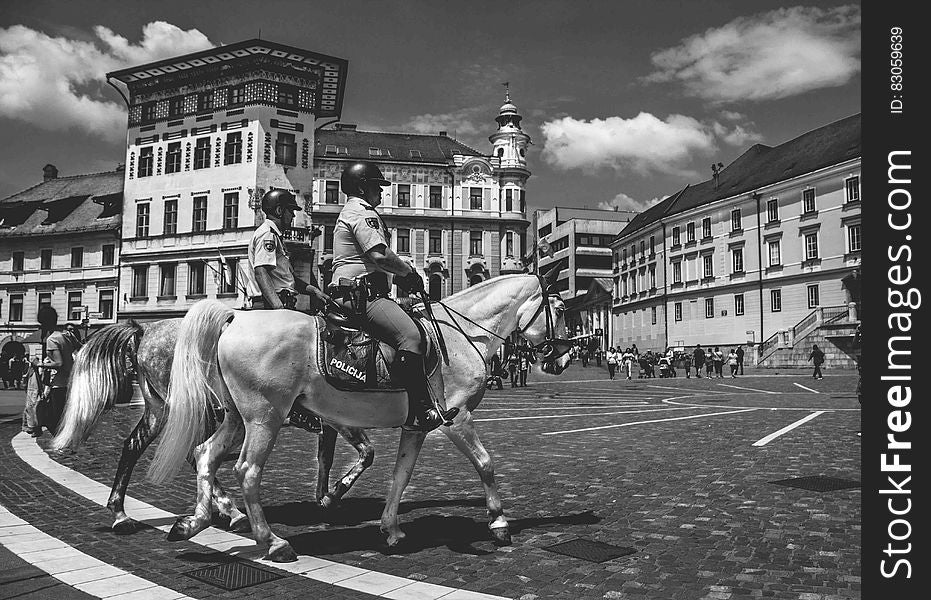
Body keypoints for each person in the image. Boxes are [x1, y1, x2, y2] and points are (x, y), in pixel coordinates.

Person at [328, 161, 458, 432]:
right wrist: (408, 272)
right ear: (363, 187)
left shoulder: (351, 211)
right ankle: (422, 411)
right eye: (377, 187)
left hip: (354, 291)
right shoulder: (362, 213)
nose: (382, 193)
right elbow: (379, 255)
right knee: (411, 337)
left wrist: (399, 276)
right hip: (363, 295)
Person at [247, 189, 331, 312]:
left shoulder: (274, 235)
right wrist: (279, 308)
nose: (293, 215)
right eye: (290, 211)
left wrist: (314, 290)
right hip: (270, 306)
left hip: (276, 303)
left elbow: (286, 278)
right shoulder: (267, 234)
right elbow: (261, 271)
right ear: (279, 210)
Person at [34, 323, 82, 435]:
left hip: (58, 383)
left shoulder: (53, 339)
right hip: (69, 381)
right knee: (64, 413)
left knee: (56, 415)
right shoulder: (67, 337)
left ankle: (61, 440)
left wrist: (39, 364)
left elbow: (58, 363)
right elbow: (81, 347)